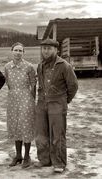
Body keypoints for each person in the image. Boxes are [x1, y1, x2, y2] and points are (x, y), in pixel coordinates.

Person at [35, 39, 78, 173]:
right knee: (41, 134)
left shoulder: (64, 65)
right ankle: (45, 160)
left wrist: (64, 101)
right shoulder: (40, 65)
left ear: (56, 50)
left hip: (57, 104)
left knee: (57, 135)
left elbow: (73, 86)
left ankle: (59, 163)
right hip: (42, 103)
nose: (45, 51)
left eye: (49, 48)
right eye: (44, 48)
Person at [4, 42, 36, 168]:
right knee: (15, 125)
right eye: (16, 50)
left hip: (26, 98)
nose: (18, 53)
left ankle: (27, 156)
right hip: (12, 99)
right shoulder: (7, 66)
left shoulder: (29, 66)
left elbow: (33, 84)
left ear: (24, 53)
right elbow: (8, 82)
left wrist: (31, 100)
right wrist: (14, 93)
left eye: (20, 51)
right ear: (12, 51)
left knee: (26, 125)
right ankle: (18, 155)